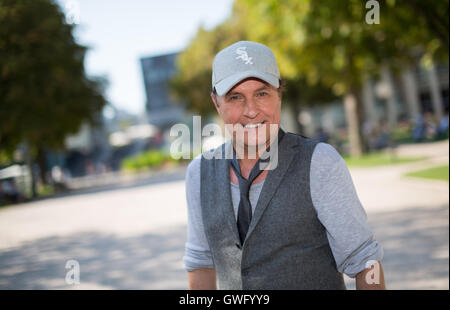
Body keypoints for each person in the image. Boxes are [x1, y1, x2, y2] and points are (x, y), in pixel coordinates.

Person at [183, 41, 385, 290]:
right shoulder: (198, 173)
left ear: (279, 93)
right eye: (235, 97)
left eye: (262, 93)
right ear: (216, 103)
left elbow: (365, 262)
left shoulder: (320, 162)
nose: (251, 110)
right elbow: (200, 262)